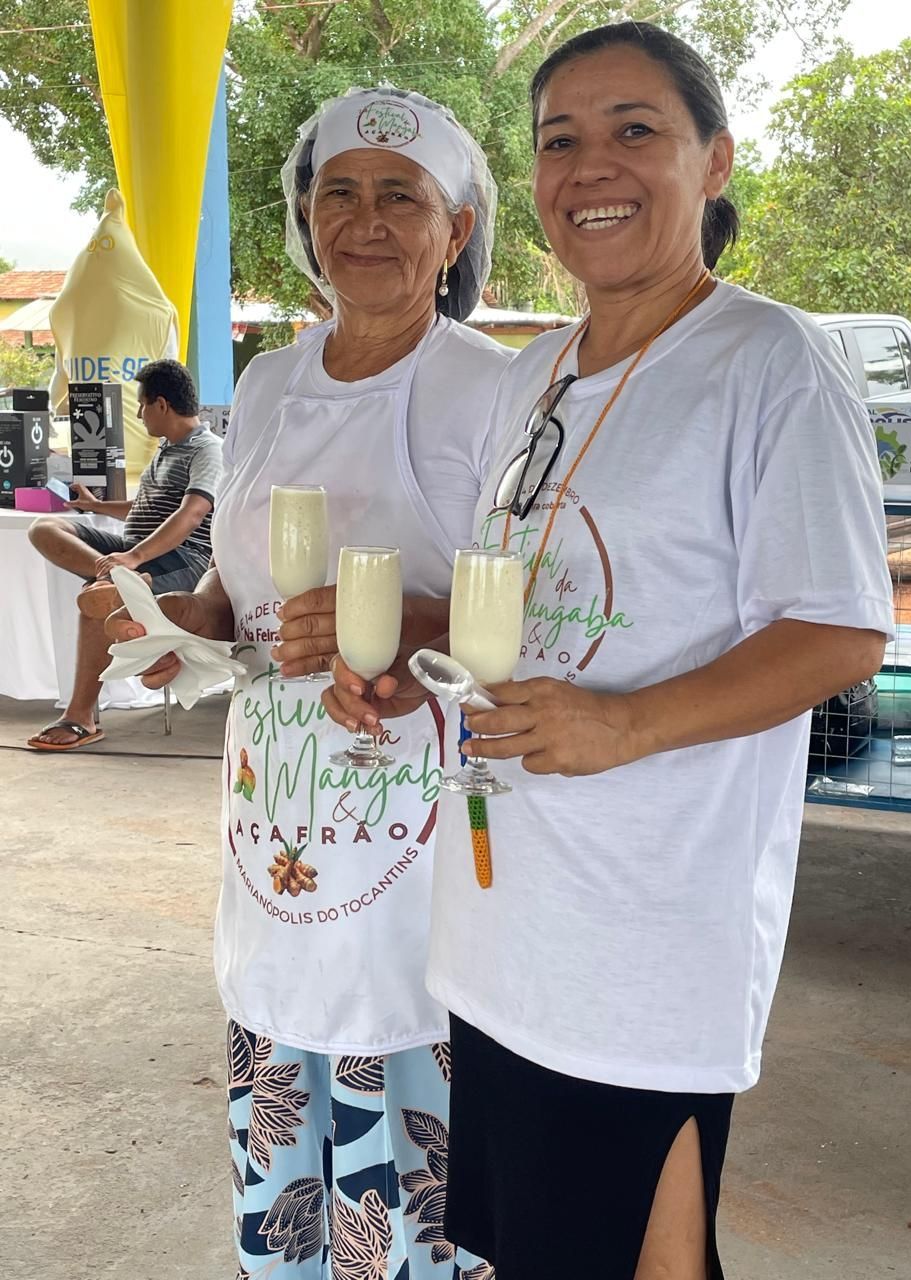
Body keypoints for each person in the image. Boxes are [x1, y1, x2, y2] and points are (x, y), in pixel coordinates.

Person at [322, 25, 895, 1280]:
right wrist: (401, 662)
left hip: (647, 943)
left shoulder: (770, 363)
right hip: (501, 925)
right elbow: (516, 601)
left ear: (716, 160)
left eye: (636, 129)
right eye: (559, 140)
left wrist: (624, 723)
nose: (594, 166)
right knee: (529, 1252)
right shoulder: (536, 375)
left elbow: (844, 624)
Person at [106, 87, 508, 1279]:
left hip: (415, 812)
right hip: (278, 813)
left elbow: (537, 610)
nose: (366, 221)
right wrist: (177, 618)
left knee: (411, 1133)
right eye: (340, 192)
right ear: (304, 215)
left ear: (458, 228)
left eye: (402, 197)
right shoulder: (272, 382)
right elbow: (240, 591)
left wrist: (405, 625)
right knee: (284, 1116)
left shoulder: (499, 389)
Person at [26, 359, 221, 751]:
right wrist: (97, 507)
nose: (138, 414)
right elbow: (145, 508)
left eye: (142, 405)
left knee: (98, 602)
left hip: (183, 561)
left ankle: (79, 717)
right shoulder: (166, 450)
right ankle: (115, 582)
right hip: (136, 555)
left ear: (161, 405)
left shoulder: (207, 449)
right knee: (44, 528)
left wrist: (133, 558)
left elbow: (193, 511)